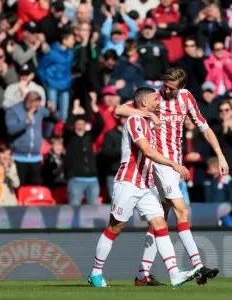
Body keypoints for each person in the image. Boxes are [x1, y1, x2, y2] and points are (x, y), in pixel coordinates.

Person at [114, 67, 228, 285]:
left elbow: (204, 128)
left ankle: (142, 275)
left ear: (181, 88)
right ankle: (198, 266)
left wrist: (220, 156)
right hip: (159, 163)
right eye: (165, 85)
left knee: (160, 219)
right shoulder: (154, 98)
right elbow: (119, 110)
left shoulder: (186, 99)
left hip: (174, 165)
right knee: (181, 210)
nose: (166, 90)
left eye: (171, 88)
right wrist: (147, 113)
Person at [88, 87, 199, 288]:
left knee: (160, 224)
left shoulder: (147, 119)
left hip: (146, 184)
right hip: (128, 183)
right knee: (116, 226)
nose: (159, 102)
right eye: (156, 99)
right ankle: (95, 272)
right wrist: (174, 164)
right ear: (145, 103)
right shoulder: (134, 121)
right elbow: (146, 151)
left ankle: (174, 274)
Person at [5, 91, 58, 186]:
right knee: (20, 188)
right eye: (36, 104)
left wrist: (53, 111)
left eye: (39, 103)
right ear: (28, 102)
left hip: (35, 158)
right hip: (19, 158)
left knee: (35, 189)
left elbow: (58, 119)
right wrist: (27, 121)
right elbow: (11, 130)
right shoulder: (13, 111)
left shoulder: (39, 110)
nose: (38, 106)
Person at [63, 95, 104, 205]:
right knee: (74, 207)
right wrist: (74, 113)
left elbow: (101, 124)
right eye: (78, 124)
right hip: (76, 179)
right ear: (74, 125)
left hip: (92, 179)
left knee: (93, 208)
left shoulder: (89, 137)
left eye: (82, 124)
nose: (80, 126)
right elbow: (66, 128)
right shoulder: (70, 138)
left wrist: (95, 108)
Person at [38, 31, 75, 137]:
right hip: (52, 86)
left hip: (65, 87)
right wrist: (45, 82)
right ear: (64, 40)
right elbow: (41, 68)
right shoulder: (52, 53)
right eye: (72, 39)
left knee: (63, 115)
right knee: (52, 113)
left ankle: (60, 138)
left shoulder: (70, 54)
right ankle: (47, 136)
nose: (74, 41)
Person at [137, 18, 170, 89]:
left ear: (154, 29)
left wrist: (167, 79)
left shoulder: (160, 45)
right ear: (142, 29)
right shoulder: (137, 44)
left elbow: (166, 64)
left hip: (159, 82)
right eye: (146, 28)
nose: (148, 31)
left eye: (150, 28)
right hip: (142, 82)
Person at [101, 116, 127, 200]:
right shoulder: (110, 134)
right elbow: (107, 152)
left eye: (128, 117)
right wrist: (124, 150)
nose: (125, 119)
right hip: (114, 174)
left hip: (130, 175)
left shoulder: (134, 134)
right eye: (124, 116)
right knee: (115, 204)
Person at [211, 100, 232, 175]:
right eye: (221, 110)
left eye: (227, 110)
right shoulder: (215, 128)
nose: (224, 112)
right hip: (221, 168)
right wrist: (225, 130)